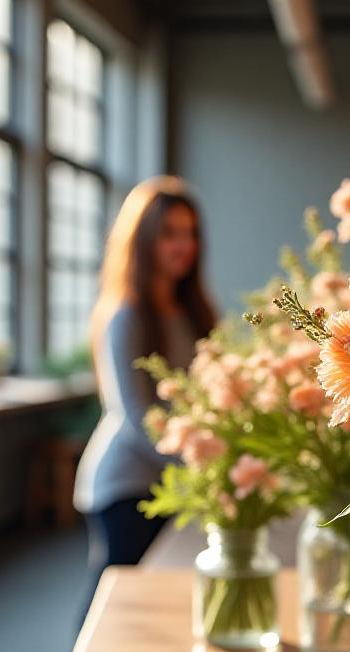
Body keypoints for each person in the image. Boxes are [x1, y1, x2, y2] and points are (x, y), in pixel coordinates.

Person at [74, 176, 217, 587]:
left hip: (171, 478)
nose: (182, 245)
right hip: (126, 482)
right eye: (169, 233)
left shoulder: (194, 312)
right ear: (144, 240)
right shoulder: (127, 315)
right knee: (115, 598)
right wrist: (199, 469)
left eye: (189, 233)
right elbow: (135, 413)